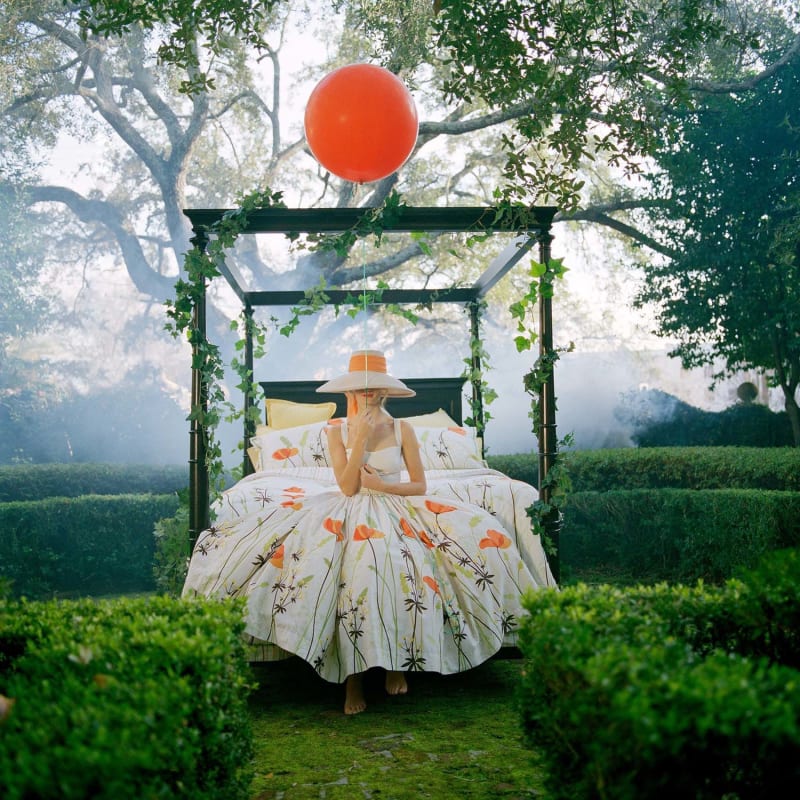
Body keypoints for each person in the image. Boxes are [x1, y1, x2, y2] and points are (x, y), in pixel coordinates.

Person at [183, 350, 549, 715]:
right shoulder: (335, 431)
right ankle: (352, 678)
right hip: (349, 505)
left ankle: (397, 661)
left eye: (373, 388)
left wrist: (385, 487)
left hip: (396, 504)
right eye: (360, 388)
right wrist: (358, 438)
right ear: (348, 392)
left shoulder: (402, 429)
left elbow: (420, 485)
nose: (367, 394)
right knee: (356, 568)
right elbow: (346, 487)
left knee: (399, 563)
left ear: (385, 392)